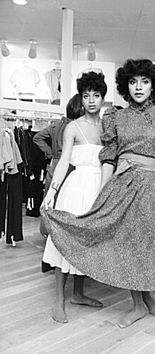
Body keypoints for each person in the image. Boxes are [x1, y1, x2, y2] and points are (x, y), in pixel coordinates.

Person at [42, 59, 155, 328]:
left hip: (150, 188)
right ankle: (137, 304)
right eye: (133, 81)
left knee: (149, 244)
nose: (139, 87)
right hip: (123, 186)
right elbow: (109, 159)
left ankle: (147, 297)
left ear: (153, 86)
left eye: (145, 82)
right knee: (128, 245)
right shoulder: (116, 117)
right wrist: (102, 193)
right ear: (126, 86)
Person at [42, 71, 108, 323]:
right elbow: (62, 162)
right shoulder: (73, 126)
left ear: (103, 97)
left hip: (98, 189)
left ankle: (78, 294)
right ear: (81, 98)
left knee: (85, 243)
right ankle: (58, 300)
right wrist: (52, 191)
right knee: (64, 242)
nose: (91, 100)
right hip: (75, 187)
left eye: (96, 95)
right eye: (86, 95)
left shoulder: (107, 128)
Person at [33, 93, 83, 237]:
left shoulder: (56, 125)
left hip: (54, 165)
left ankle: (45, 232)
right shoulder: (77, 127)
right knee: (64, 201)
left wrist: (50, 153)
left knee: (48, 200)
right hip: (69, 166)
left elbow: (37, 137)